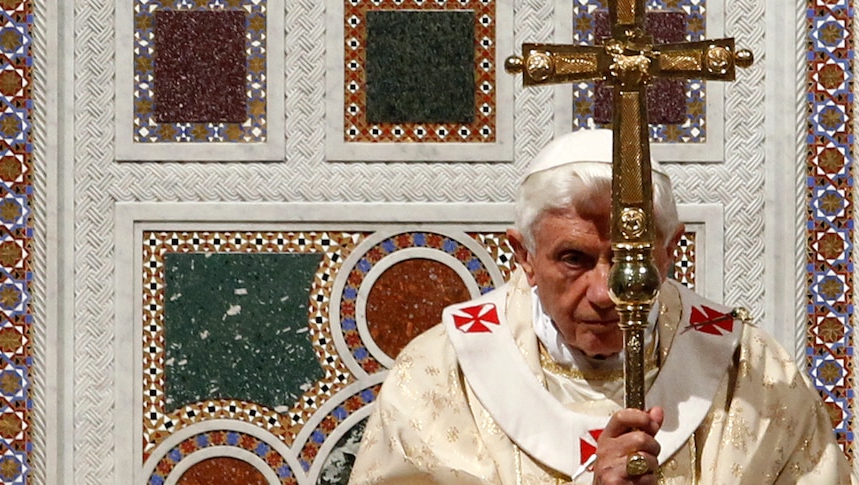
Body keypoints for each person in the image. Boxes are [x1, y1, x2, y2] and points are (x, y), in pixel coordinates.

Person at [348, 129, 857, 484]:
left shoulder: (753, 375)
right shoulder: (441, 374)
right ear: (523, 255)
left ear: (671, 249)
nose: (605, 291)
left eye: (630, 257)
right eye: (574, 258)